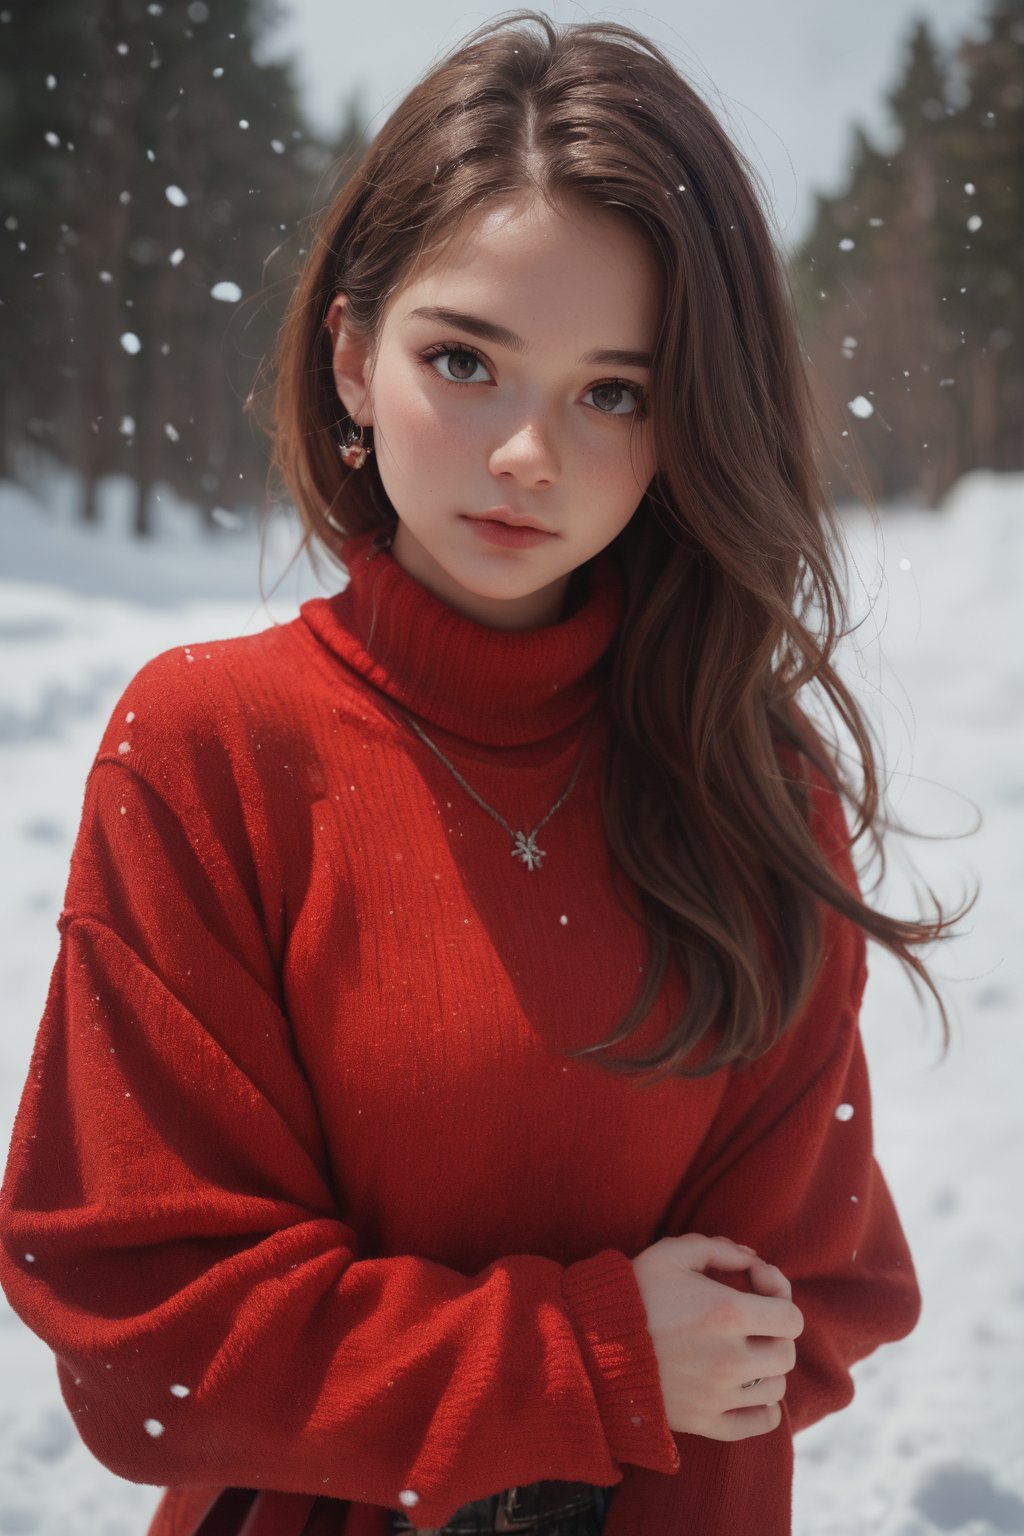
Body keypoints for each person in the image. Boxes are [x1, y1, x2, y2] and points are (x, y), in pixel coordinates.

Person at [0, 12, 966, 1536]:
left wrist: (637, 1364)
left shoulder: (752, 783)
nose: (529, 453)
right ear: (352, 357)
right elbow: (149, 1333)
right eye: (467, 360)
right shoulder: (211, 747)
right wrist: (589, 1358)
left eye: (613, 392)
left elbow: (804, 1293)